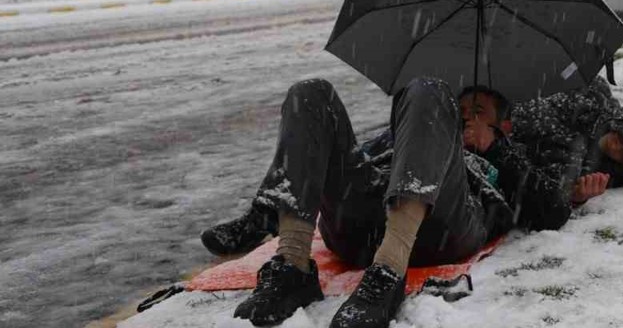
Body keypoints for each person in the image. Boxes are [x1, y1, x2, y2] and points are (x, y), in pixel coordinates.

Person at [202, 76, 575, 328]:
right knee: (311, 92)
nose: (464, 119)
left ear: (504, 125)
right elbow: (325, 161)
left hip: (443, 227)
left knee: (428, 86)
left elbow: (552, 209)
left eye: (478, 113)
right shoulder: (406, 136)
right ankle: (292, 266)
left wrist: (493, 147)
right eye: (458, 113)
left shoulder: (510, 152)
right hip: (366, 219)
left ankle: (388, 275)